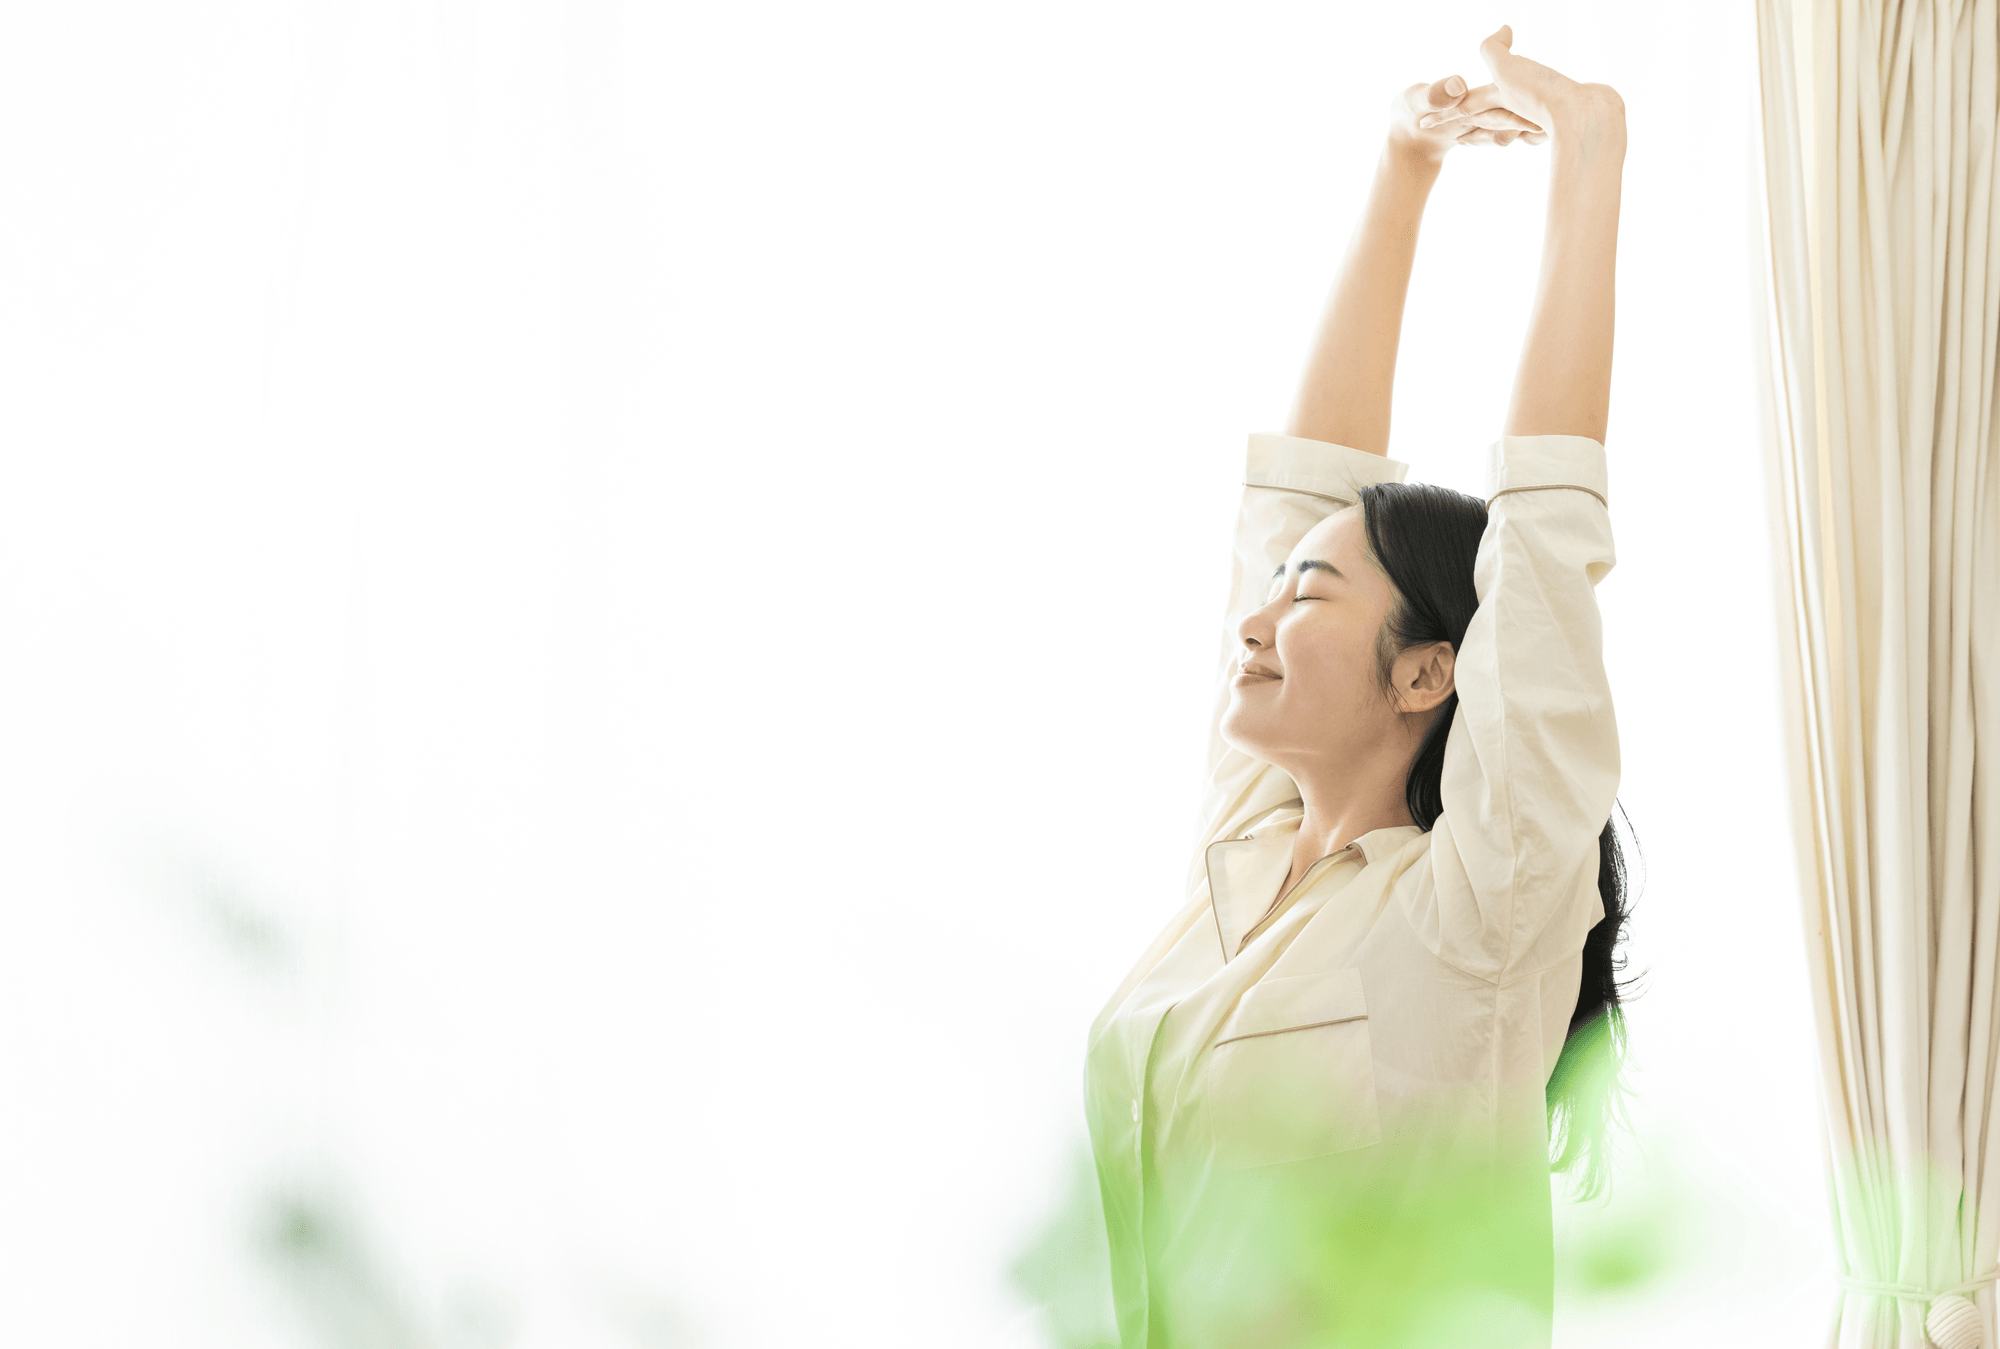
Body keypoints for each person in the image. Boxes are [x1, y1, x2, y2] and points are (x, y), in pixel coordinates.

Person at [1083, 27, 1637, 1349]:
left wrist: (1588, 159)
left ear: (1429, 672)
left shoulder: (1478, 912)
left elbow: (1543, 550)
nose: (1256, 620)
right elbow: (1303, 489)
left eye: (1308, 599)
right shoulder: (1245, 856)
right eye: (1273, 590)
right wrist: (1404, 168)